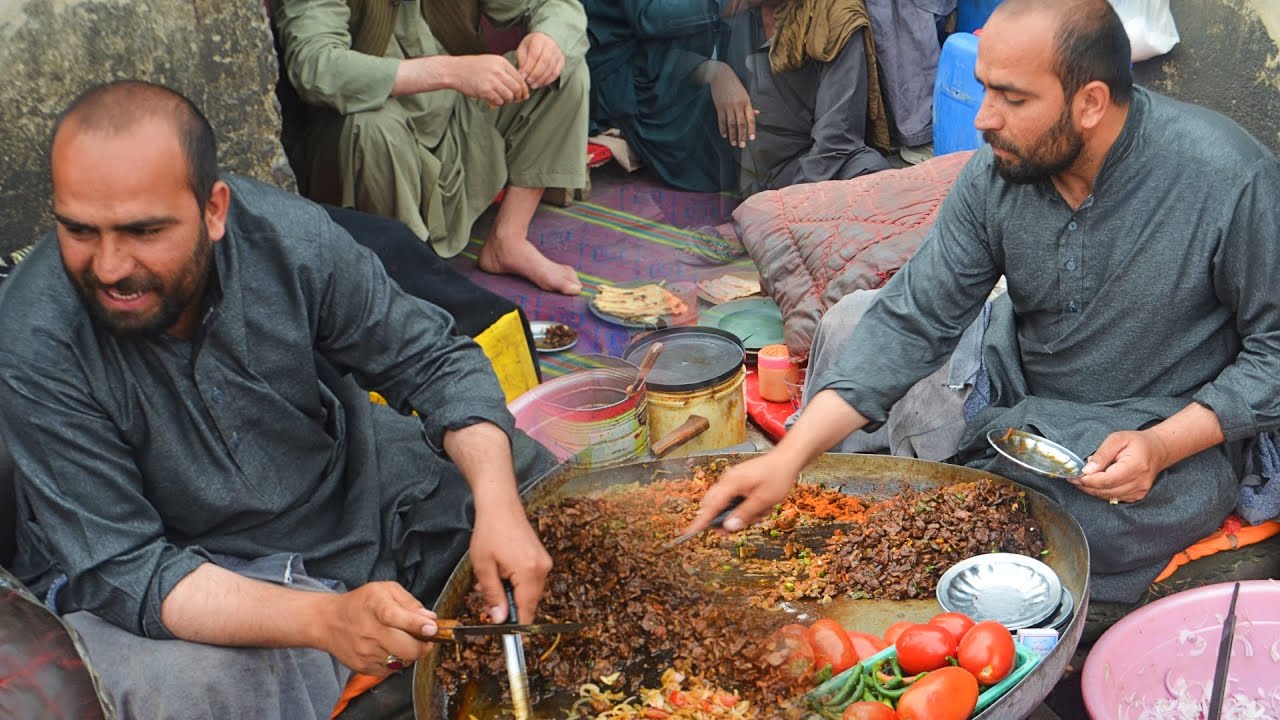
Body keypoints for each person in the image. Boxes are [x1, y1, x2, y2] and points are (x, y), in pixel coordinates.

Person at [0, 80, 558, 719]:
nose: (108, 267)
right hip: (203, 566)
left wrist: (496, 505)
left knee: (525, 483)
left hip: (346, 489)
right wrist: (325, 619)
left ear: (214, 211)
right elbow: (125, 567)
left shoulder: (288, 240)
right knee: (184, 689)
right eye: (79, 230)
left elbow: (430, 361)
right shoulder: (34, 333)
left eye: (143, 230)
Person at [689, 0, 1280, 603]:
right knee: (852, 323)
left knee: (1079, 523)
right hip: (1014, 388)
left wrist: (1163, 444)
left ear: (1091, 103)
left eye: (1013, 98)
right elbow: (915, 316)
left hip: (1153, 425)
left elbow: (1275, 353)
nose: (983, 119)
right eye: (983, 90)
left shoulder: (1229, 179)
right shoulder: (998, 172)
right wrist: (790, 458)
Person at [274, 0, 589, 296]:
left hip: (454, 121)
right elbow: (315, 66)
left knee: (563, 70)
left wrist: (547, 41)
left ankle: (508, 240)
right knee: (373, 127)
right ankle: (404, 270)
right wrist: (449, 71)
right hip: (364, 140)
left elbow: (553, 4)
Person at [582, 0, 753, 193]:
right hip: (627, 73)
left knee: (758, 100)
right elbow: (649, 18)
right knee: (726, 153)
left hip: (669, 55)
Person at [732, 0, 892, 195]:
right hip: (752, 170)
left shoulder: (835, 15)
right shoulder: (731, 14)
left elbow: (837, 137)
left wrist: (793, 198)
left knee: (875, 179)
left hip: (821, 164)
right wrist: (713, 72)